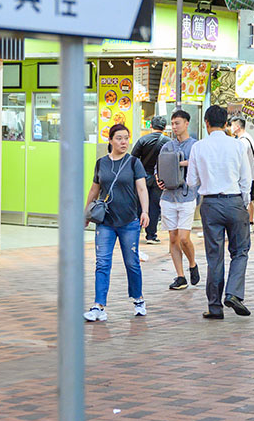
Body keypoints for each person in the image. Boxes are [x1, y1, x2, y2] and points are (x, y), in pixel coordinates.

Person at [187, 105, 252, 319]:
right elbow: (246, 179)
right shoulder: (237, 145)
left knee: (214, 256)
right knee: (240, 250)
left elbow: (191, 181)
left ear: (206, 122)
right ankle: (233, 293)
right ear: (226, 124)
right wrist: (244, 202)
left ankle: (215, 307)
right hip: (234, 201)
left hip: (210, 204)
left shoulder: (198, 147)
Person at [83, 124, 149, 322]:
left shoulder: (133, 162)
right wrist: (85, 214)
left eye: (126, 138)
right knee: (102, 263)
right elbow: (94, 191)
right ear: (110, 140)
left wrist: (145, 211)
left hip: (129, 221)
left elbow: (142, 189)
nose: (123, 142)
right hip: (105, 222)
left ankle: (138, 299)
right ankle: (99, 306)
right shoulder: (101, 163)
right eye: (119, 138)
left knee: (132, 263)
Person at [157, 109, 200, 291]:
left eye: (177, 123)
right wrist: (159, 179)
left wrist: (183, 163)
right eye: (172, 124)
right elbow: (158, 167)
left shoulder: (196, 146)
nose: (174, 127)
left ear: (186, 124)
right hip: (168, 197)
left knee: (184, 238)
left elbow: (201, 165)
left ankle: (192, 263)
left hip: (187, 196)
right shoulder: (167, 146)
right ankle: (180, 276)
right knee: (173, 238)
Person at [130, 115, 170, 245]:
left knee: (139, 204)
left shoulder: (143, 140)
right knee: (154, 206)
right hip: (160, 178)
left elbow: (133, 158)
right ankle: (151, 235)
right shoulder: (168, 142)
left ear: (151, 126)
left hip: (142, 177)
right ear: (164, 127)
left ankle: (134, 233)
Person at [230, 116, 254, 224]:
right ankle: (250, 221)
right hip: (251, 174)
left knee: (246, 200)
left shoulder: (243, 141)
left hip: (246, 175)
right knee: (250, 199)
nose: (231, 128)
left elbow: (239, 159)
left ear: (237, 127)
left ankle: (247, 222)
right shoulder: (247, 137)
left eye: (232, 125)